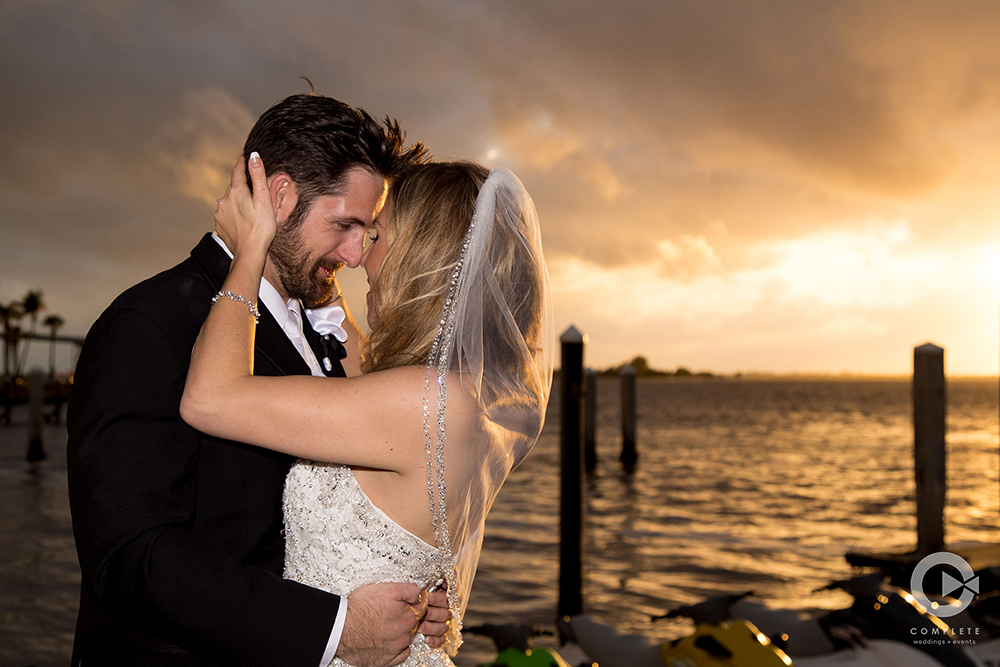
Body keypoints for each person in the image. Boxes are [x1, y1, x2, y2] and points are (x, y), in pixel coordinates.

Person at [67, 93, 450, 667]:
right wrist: (335, 628)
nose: (352, 253)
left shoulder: (325, 329)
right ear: (278, 195)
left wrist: (403, 594)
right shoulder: (149, 325)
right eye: (343, 224)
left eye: (366, 232)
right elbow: (130, 557)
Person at [180, 154, 553, 666]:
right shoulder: (493, 399)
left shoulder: (422, 402)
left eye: (376, 236)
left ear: (421, 256)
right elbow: (359, 359)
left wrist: (249, 251)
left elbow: (209, 398)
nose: (359, 256)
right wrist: (317, 266)